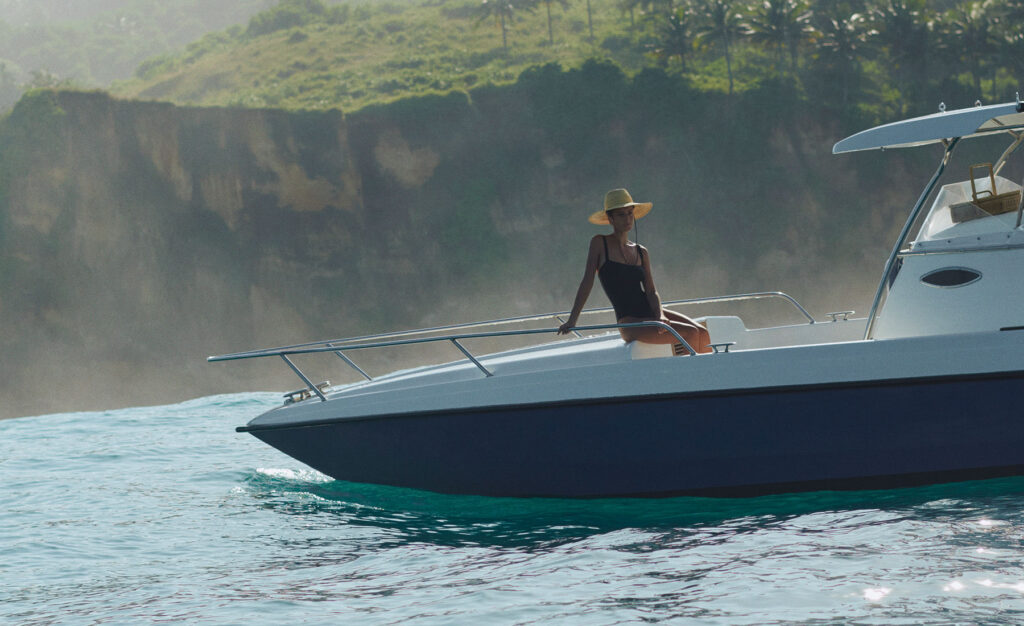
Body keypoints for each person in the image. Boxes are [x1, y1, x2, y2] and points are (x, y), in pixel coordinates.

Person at [557, 188, 711, 354]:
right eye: (621, 214)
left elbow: (651, 291)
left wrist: (660, 315)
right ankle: (691, 377)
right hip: (629, 321)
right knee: (691, 333)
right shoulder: (600, 243)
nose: (627, 218)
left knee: (703, 332)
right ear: (610, 218)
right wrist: (572, 320)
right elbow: (587, 281)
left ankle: (703, 376)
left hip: (651, 311)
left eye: (630, 213)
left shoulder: (641, 251)